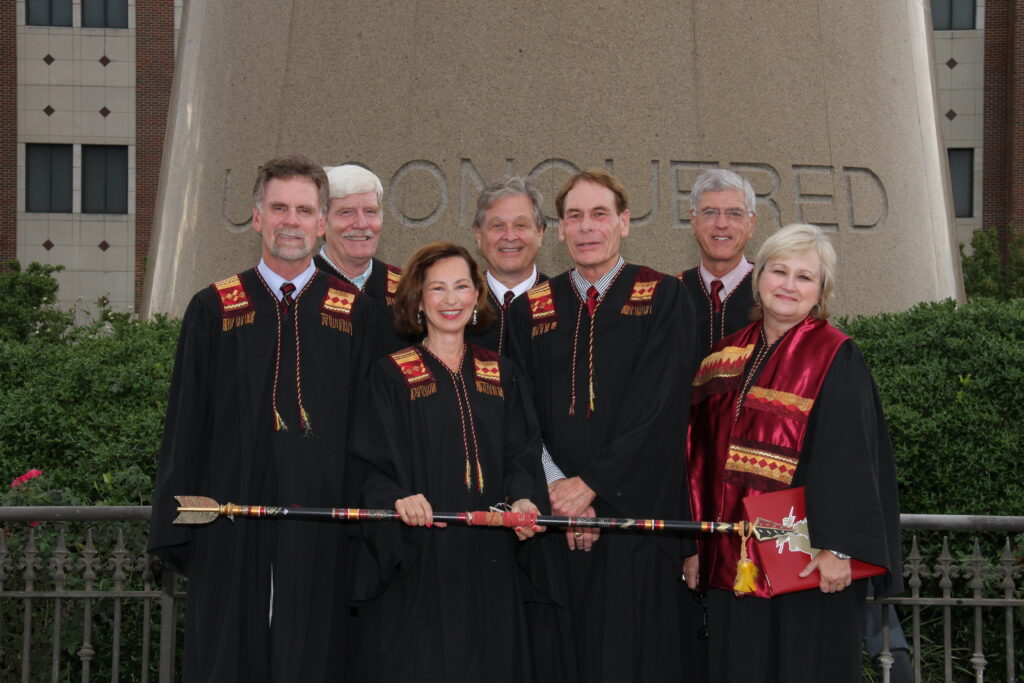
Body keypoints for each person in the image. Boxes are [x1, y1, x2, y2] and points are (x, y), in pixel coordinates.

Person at [148, 154, 380, 682]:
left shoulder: (356, 314)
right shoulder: (214, 309)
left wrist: (368, 528)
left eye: (303, 209)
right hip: (228, 524)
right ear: (257, 217)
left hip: (323, 525)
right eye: (279, 207)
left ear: (323, 222)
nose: (290, 221)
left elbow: (371, 434)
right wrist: (179, 524)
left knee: (315, 655)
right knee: (228, 654)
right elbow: (186, 425)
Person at [683, 223, 902, 683]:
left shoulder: (835, 355)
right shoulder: (720, 359)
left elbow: (852, 457)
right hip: (733, 559)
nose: (788, 285)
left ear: (821, 291)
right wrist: (695, 545)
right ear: (758, 278)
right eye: (779, 271)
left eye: (805, 277)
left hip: (808, 560)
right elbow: (695, 459)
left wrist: (840, 547)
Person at [509, 169, 697, 682]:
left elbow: (660, 411)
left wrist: (591, 488)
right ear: (561, 230)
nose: (587, 228)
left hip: (636, 526)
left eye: (599, 215)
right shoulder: (530, 311)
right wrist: (558, 491)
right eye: (574, 216)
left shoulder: (664, 297)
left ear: (624, 223)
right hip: (556, 527)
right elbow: (519, 415)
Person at [348, 242, 546, 683]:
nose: (450, 299)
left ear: (477, 296)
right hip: (423, 557)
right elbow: (368, 465)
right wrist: (398, 498)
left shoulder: (503, 372)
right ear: (418, 300)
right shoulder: (391, 374)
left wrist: (526, 500)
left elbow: (522, 453)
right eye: (437, 289)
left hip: (492, 557)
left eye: (461, 287)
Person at [679, 168, 758, 361]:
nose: (722, 224)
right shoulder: (673, 294)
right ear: (693, 221)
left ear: (751, 224)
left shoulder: (770, 291)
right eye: (710, 212)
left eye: (734, 213)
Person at [466, 175, 548, 355]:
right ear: (479, 235)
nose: (510, 236)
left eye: (521, 225)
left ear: (540, 233)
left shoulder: (565, 303)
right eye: (497, 226)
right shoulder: (459, 303)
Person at [314, 164, 402, 309]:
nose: (361, 224)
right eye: (347, 212)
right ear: (322, 222)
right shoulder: (298, 287)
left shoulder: (406, 288)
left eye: (370, 211)